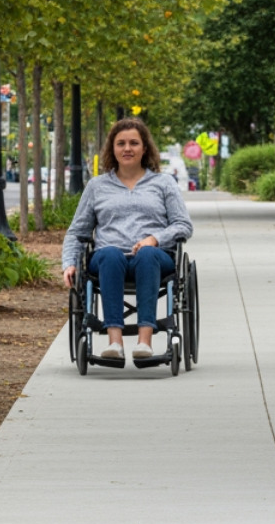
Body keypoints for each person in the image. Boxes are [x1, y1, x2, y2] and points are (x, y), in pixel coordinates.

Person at [62, 117, 193, 360]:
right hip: (108, 259)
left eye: (134, 143)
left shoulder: (163, 183)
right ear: (112, 148)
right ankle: (115, 342)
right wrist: (69, 262)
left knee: (147, 255)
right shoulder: (97, 186)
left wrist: (154, 238)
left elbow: (183, 225)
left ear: (145, 148)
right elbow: (77, 232)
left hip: (154, 257)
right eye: (121, 143)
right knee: (110, 254)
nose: (127, 148)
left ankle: (145, 341)